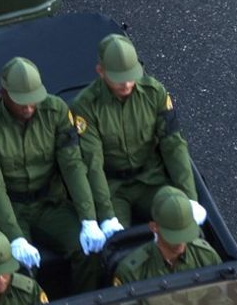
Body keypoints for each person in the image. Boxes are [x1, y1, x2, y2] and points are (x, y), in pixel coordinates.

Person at [0, 57, 112, 288]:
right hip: (11, 207)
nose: (28, 107)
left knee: (89, 251)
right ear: (3, 94)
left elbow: (73, 165)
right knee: (13, 267)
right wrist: (15, 237)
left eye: (33, 100)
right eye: (21, 101)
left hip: (50, 203)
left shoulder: (55, 110)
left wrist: (89, 219)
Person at [72, 34, 200, 230]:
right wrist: (106, 214)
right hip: (114, 188)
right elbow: (93, 162)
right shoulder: (85, 106)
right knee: (116, 243)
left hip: (153, 179)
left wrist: (189, 197)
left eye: (130, 76)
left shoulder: (154, 92)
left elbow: (173, 144)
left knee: (181, 224)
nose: (126, 84)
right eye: (119, 78)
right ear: (100, 71)